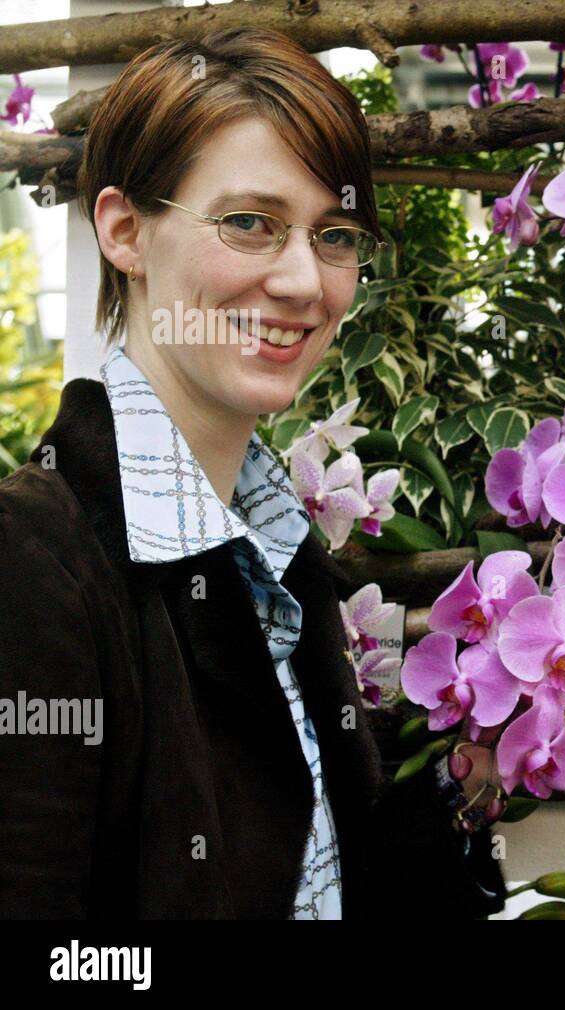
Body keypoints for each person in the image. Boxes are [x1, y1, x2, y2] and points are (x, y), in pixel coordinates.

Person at [0, 28, 503, 919]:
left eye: (336, 234)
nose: (305, 281)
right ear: (123, 230)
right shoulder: (33, 558)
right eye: (249, 224)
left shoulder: (277, 546)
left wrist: (462, 789)